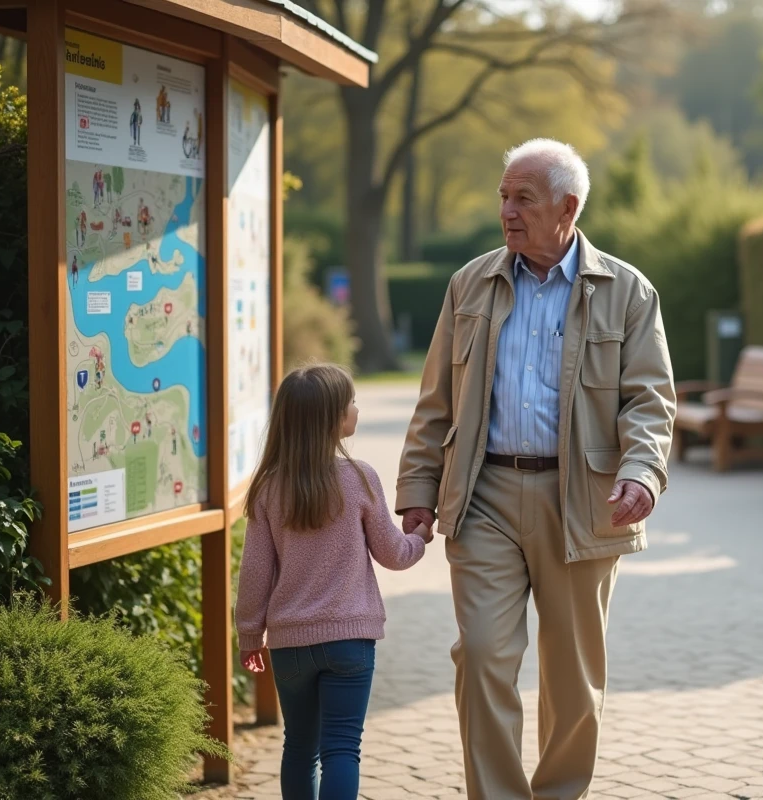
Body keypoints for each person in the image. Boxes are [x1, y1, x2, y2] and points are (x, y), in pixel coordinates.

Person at [397, 138, 676, 800]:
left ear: (567, 207)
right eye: (504, 196)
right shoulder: (470, 283)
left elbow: (651, 398)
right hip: (484, 492)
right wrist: (416, 490)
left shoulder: (627, 291)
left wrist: (642, 471)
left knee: (573, 675)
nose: (508, 211)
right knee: (484, 656)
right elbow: (436, 398)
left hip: (584, 500)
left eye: (523, 198)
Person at [235, 363, 433, 800]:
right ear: (333, 419)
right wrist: (419, 538)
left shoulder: (268, 487)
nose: (357, 409)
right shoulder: (359, 476)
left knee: (299, 747)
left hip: (289, 646)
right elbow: (394, 555)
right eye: (351, 403)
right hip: (350, 641)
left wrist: (250, 636)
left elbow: (254, 572)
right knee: (342, 748)